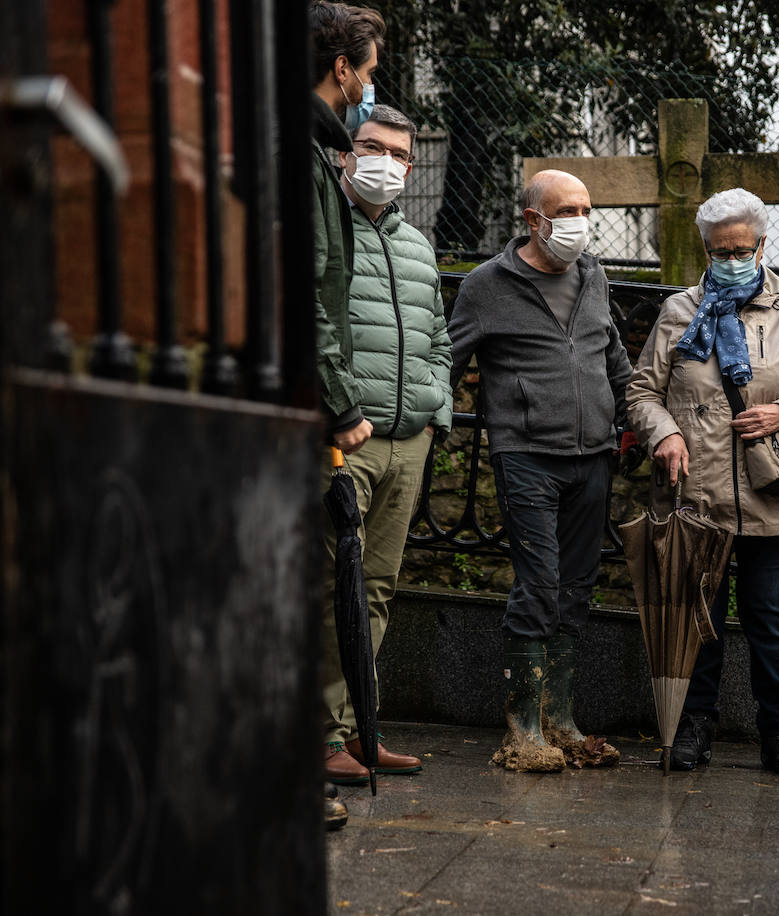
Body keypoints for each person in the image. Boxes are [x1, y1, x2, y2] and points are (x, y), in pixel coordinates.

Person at [625, 187, 779, 777]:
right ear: (706, 249)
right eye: (720, 251)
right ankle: (693, 728)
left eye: (742, 249)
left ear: (762, 245)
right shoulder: (679, 310)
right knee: (699, 620)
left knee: (771, 620)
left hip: (775, 494)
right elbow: (642, 391)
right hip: (697, 494)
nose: (731, 260)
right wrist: (665, 433)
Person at [448, 170, 631, 772]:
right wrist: (428, 423)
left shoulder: (593, 275)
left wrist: (641, 422)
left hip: (594, 454)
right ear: (533, 220)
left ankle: (561, 720)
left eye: (586, 209)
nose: (581, 222)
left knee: (577, 586)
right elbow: (448, 359)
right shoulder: (486, 285)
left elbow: (614, 360)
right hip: (525, 455)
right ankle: (523, 728)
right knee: (540, 583)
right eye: (567, 211)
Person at [319, 104, 453, 787]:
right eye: (372, 147)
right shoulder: (327, 227)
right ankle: (320, 736)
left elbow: (439, 339)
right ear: (346, 153)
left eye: (400, 154)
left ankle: (358, 728)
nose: (387, 163)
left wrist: (436, 413)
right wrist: (338, 411)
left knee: (374, 589)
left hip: (408, 441)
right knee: (331, 590)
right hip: (349, 439)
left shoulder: (418, 245)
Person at [307, 0, 385, 825]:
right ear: (342, 69)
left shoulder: (317, 150)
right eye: (368, 72)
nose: (369, 86)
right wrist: (340, 401)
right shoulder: (305, 154)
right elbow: (312, 288)